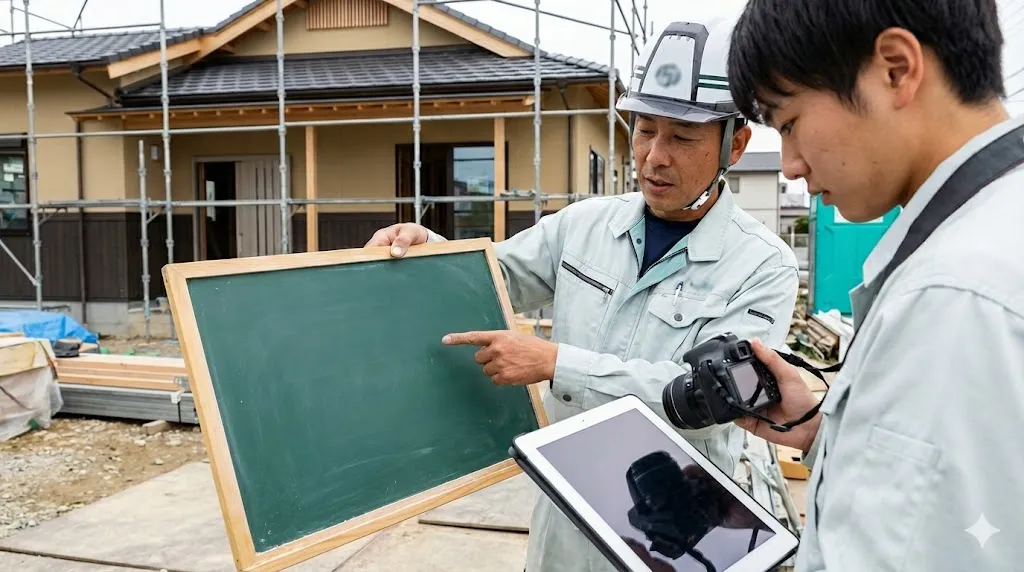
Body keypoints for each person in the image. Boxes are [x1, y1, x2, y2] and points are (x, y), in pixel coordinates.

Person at [366, 16, 800, 572]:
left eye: (683, 137)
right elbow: (491, 279)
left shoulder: (762, 266)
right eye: (644, 130)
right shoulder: (584, 226)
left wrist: (556, 364)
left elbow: (710, 398)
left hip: (681, 527)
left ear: (734, 145)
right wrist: (429, 248)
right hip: (567, 509)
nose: (655, 156)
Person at [725, 0, 1024, 570]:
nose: (789, 164)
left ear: (895, 69)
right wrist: (826, 432)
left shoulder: (956, 297)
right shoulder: (998, 228)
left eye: (789, 122)